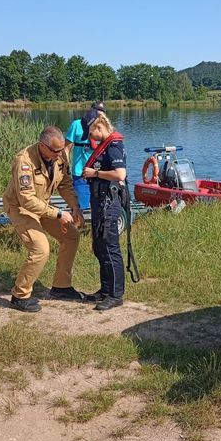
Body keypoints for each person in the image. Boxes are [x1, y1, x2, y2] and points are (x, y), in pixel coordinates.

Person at [3, 126, 87, 312]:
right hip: (21, 208)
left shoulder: (60, 155)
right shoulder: (24, 161)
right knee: (40, 249)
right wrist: (58, 214)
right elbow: (26, 199)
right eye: (56, 151)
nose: (60, 154)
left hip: (43, 205)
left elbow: (65, 184)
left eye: (61, 150)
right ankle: (20, 296)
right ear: (43, 145)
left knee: (71, 236)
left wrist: (75, 207)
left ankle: (61, 287)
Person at [82, 112, 127, 311]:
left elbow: (120, 174)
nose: (90, 137)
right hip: (100, 202)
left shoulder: (114, 145)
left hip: (109, 202)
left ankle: (116, 295)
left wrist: (95, 173)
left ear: (98, 127)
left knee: (110, 247)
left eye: (90, 133)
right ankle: (105, 290)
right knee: (100, 246)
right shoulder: (104, 145)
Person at [64, 101, 105, 210]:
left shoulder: (105, 129)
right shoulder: (76, 125)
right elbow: (66, 148)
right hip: (80, 172)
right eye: (96, 111)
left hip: (99, 173)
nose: (99, 114)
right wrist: (66, 165)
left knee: (99, 204)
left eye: (101, 112)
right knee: (82, 205)